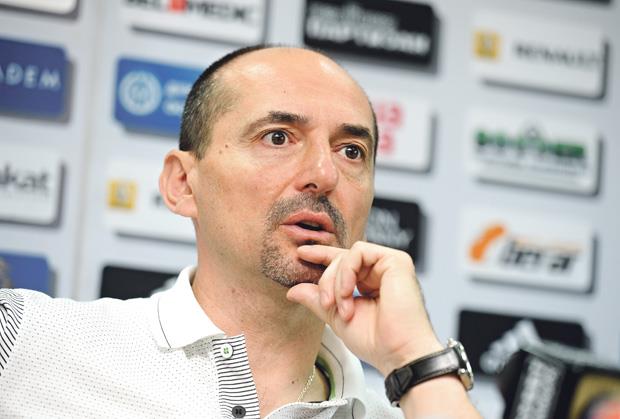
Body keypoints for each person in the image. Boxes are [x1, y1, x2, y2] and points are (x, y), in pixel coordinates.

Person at [0, 45, 481, 418]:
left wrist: (413, 359)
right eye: (278, 137)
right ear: (183, 184)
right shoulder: (26, 340)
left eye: (351, 151)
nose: (324, 174)